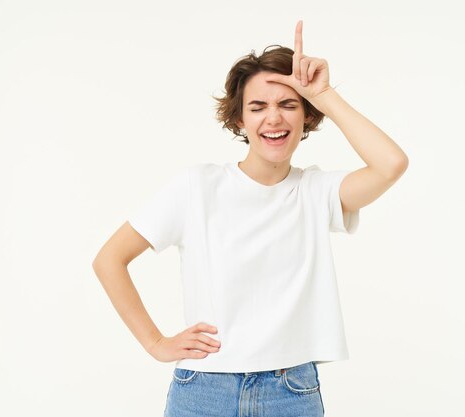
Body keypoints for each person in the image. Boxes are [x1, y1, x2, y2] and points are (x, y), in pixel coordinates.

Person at [92, 20, 408, 417]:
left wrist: (323, 94)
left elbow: (391, 164)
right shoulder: (196, 187)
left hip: (290, 390)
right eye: (258, 107)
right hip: (204, 389)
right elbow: (109, 260)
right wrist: (155, 343)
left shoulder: (316, 191)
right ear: (239, 120)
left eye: (288, 105)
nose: (273, 118)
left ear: (306, 117)